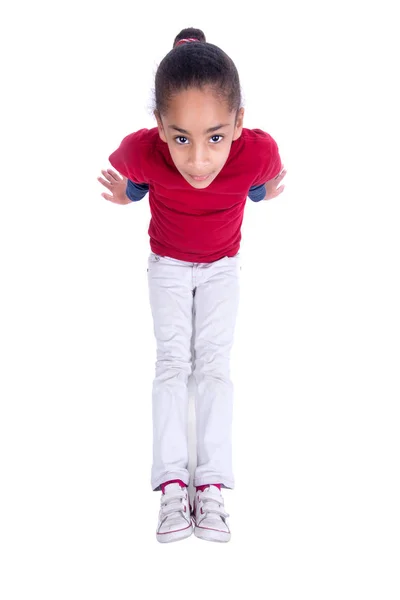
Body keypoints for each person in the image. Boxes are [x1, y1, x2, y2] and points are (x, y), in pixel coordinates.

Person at [97, 27, 286, 544]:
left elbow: (256, 185)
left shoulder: (258, 152)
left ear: (239, 124)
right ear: (160, 127)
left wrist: (265, 193)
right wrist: (127, 196)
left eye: (216, 138)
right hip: (169, 268)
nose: (198, 160)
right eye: (181, 137)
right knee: (174, 364)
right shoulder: (142, 150)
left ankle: (213, 486)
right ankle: (173, 485)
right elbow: (138, 181)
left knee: (215, 366)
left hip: (223, 266)